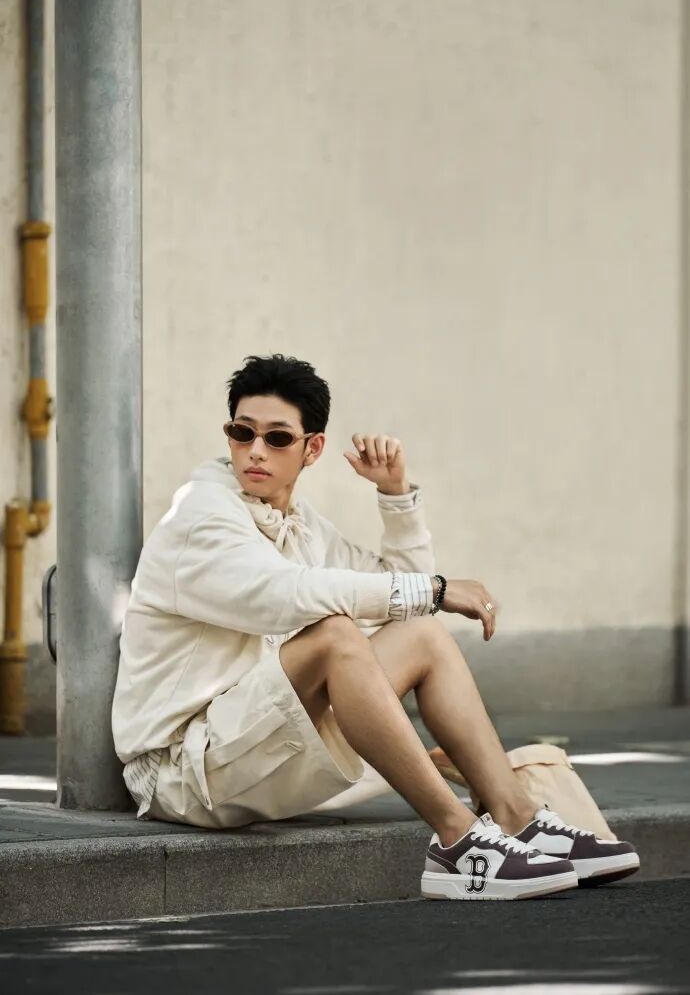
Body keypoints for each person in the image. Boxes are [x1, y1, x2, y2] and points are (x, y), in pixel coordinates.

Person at [111, 353, 639, 901]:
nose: (256, 450)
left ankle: (517, 818)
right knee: (337, 637)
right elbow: (282, 596)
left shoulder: (301, 524)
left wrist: (395, 496)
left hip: (250, 747)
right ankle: (458, 841)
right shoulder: (201, 514)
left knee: (423, 637)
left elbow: (404, 606)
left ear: (312, 448)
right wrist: (435, 589)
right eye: (242, 433)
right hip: (181, 771)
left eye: (277, 437)